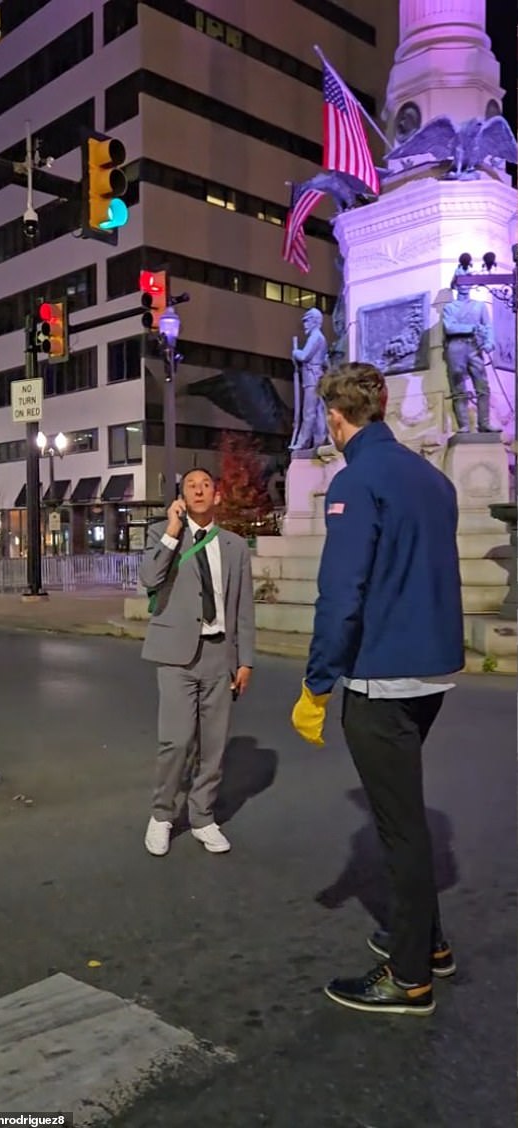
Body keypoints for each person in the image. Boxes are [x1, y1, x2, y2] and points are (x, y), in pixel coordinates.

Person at [291, 362, 464, 1017]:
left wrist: (316, 684)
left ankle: (411, 975)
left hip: (380, 675)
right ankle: (431, 943)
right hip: (429, 672)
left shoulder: (357, 479)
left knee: (399, 828)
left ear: (336, 417)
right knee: (407, 819)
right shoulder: (432, 478)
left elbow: (342, 594)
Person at [139, 467, 255, 857]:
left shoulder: (235, 547)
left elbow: (243, 608)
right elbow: (149, 578)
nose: (199, 490)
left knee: (214, 744)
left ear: (217, 496)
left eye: (206, 484)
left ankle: (203, 816)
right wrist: (172, 531)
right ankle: (161, 815)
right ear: (182, 497)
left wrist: (245, 659)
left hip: (219, 653)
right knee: (175, 740)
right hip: (175, 655)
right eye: (191, 486)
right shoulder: (162, 534)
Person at [442, 269, 498, 434]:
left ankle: (484, 423)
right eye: (460, 281)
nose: (464, 285)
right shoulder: (449, 308)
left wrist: (489, 342)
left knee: (483, 386)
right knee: (458, 387)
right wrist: (472, 327)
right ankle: (464, 425)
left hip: (474, 347)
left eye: (467, 281)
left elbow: (488, 326)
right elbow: (450, 328)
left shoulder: (479, 306)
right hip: (456, 347)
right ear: (455, 284)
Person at [289, 308, 329, 452]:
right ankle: (320, 439)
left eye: (307, 321)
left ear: (314, 321)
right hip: (315, 377)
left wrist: (295, 352)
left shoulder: (316, 337)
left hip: (312, 378)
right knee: (318, 412)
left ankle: (303, 442)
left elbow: (305, 356)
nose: (305, 324)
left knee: (309, 411)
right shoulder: (320, 337)